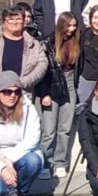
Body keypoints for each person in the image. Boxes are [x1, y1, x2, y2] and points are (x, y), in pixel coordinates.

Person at [38, 12, 79, 179]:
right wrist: (44, 93)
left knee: (65, 128)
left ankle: (60, 162)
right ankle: (45, 163)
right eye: (68, 25)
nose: (71, 29)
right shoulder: (48, 42)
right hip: (51, 84)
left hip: (69, 83)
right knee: (49, 130)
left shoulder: (76, 42)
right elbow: (42, 70)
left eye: (74, 26)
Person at [0, 7, 48, 94]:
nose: (15, 22)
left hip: (24, 92)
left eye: (18, 19)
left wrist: (22, 82)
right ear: (4, 22)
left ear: (24, 21)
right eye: (11, 19)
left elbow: (42, 64)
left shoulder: (34, 43)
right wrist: (4, 82)